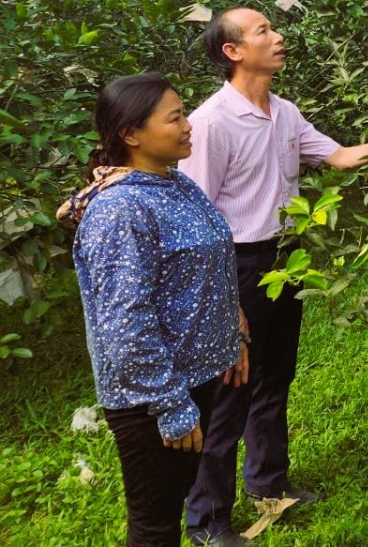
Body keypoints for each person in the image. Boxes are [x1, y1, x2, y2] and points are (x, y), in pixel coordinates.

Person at [181, 7, 368, 546]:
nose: (278, 36)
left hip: (285, 257)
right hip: (234, 264)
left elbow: (338, 157)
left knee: (274, 375)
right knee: (229, 389)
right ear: (233, 51)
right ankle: (208, 517)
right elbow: (197, 218)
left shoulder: (284, 111)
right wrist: (221, 296)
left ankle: (268, 483)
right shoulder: (213, 121)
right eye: (263, 30)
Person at [59, 72, 248, 547]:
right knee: (155, 525)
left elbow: (207, 263)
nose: (189, 126)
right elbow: (125, 323)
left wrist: (233, 328)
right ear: (130, 134)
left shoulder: (175, 184)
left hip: (191, 379)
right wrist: (169, 404)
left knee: (172, 501)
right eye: (176, 117)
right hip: (151, 396)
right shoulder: (120, 210)